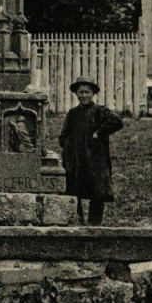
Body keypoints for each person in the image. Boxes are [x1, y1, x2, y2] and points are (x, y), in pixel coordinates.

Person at [59, 76, 123, 225]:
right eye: (80, 92)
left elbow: (117, 121)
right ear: (76, 94)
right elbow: (63, 135)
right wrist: (68, 147)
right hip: (76, 159)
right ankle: (77, 221)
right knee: (74, 189)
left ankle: (95, 223)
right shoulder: (73, 113)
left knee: (97, 190)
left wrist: (99, 132)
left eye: (87, 92)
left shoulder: (99, 110)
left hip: (95, 159)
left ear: (93, 93)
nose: (84, 95)